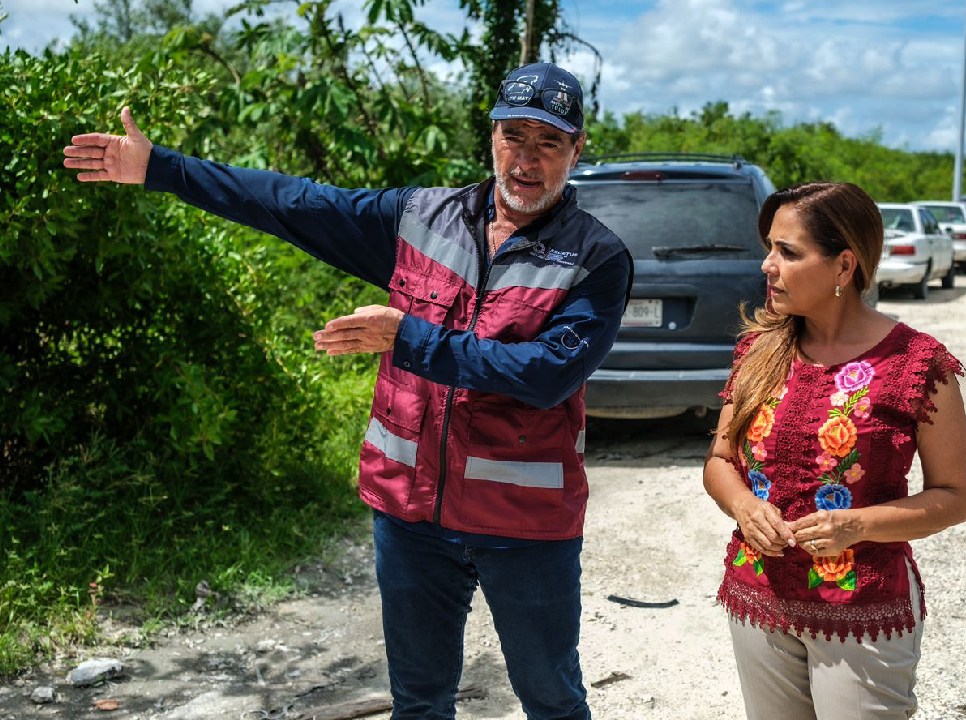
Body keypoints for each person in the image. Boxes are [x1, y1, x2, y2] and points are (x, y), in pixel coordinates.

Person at [63, 61, 632, 720]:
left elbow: (545, 374)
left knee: (552, 698)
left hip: (525, 527)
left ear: (577, 148)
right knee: (418, 703)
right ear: (491, 135)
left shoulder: (596, 258)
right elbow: (291, 203)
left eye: (548, 141)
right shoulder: (421, 218)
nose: (526, 159)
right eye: (514, 135)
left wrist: (408, 338)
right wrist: (163, 169)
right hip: (411, 518)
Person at [702, 182, 966, 720]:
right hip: (758, 598)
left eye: (788, 252)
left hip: (863, 613)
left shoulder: (917, 365)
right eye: (769, 248)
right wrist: (743, 506)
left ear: (844, 266)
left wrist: (859, 525)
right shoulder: (759, 349)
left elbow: (956, 496)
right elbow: (719, 462)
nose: (767, 266)